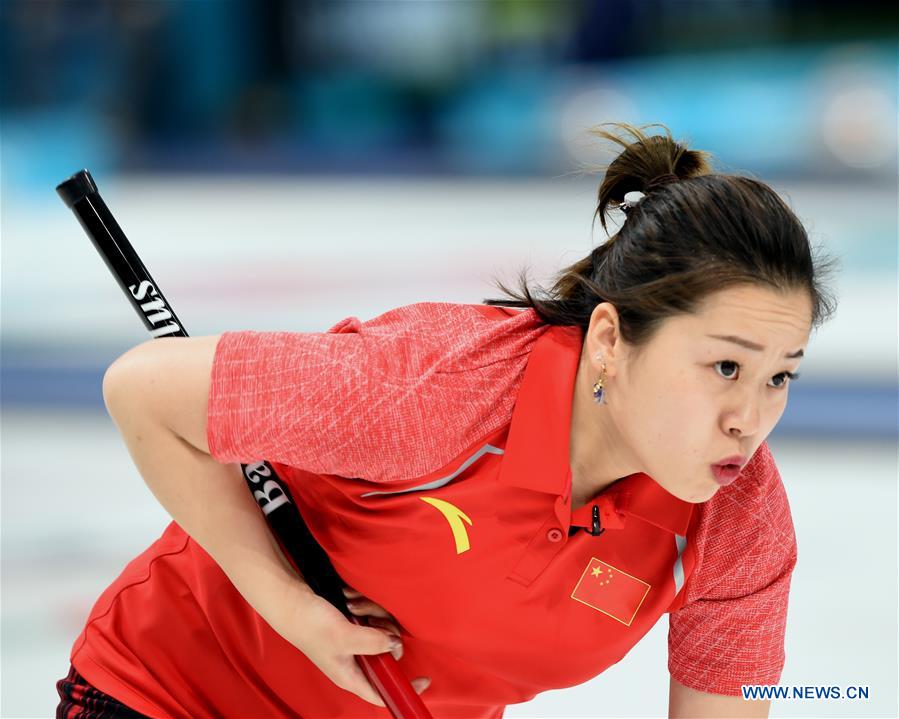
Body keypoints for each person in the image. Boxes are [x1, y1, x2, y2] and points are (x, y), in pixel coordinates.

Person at [56, 123, 837, 719]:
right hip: (173, 692)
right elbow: (145, 390)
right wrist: (289, 607)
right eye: (725, 367)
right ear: (608, 338)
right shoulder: (435, 389)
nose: (750, 418)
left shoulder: (736, 520)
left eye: (780, 377)